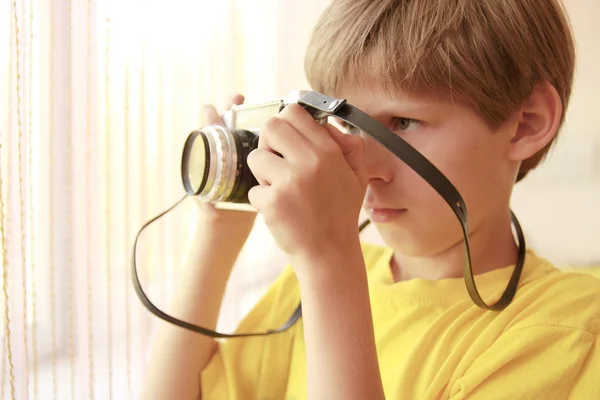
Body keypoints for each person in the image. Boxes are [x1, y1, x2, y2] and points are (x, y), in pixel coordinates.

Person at [142, 0, 600, 399]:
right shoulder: (306, 289)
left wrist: (329, 261)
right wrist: (216, 234)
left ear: (527, 123)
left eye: (402, 123)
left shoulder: (568, 329)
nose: (366, 170)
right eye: (350, 126)